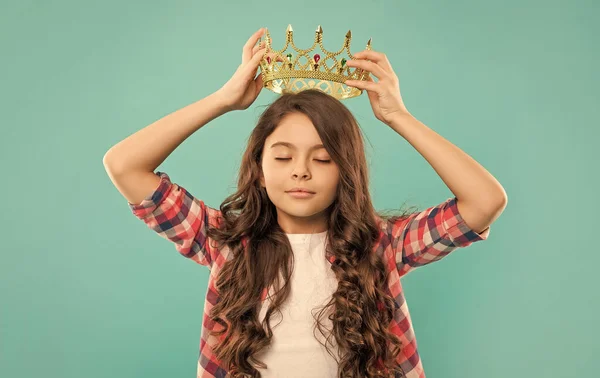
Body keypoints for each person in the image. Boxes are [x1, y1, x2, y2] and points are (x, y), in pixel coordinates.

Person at [103, 27, 507, 378]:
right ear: (259, 170)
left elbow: (484, 200)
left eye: (323, 158)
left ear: (345, 173)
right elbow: (124, 165)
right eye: (282, 156)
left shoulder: (381, 246)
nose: (301, 171)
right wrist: (223, 100)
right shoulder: (225, 244)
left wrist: (398, 116)